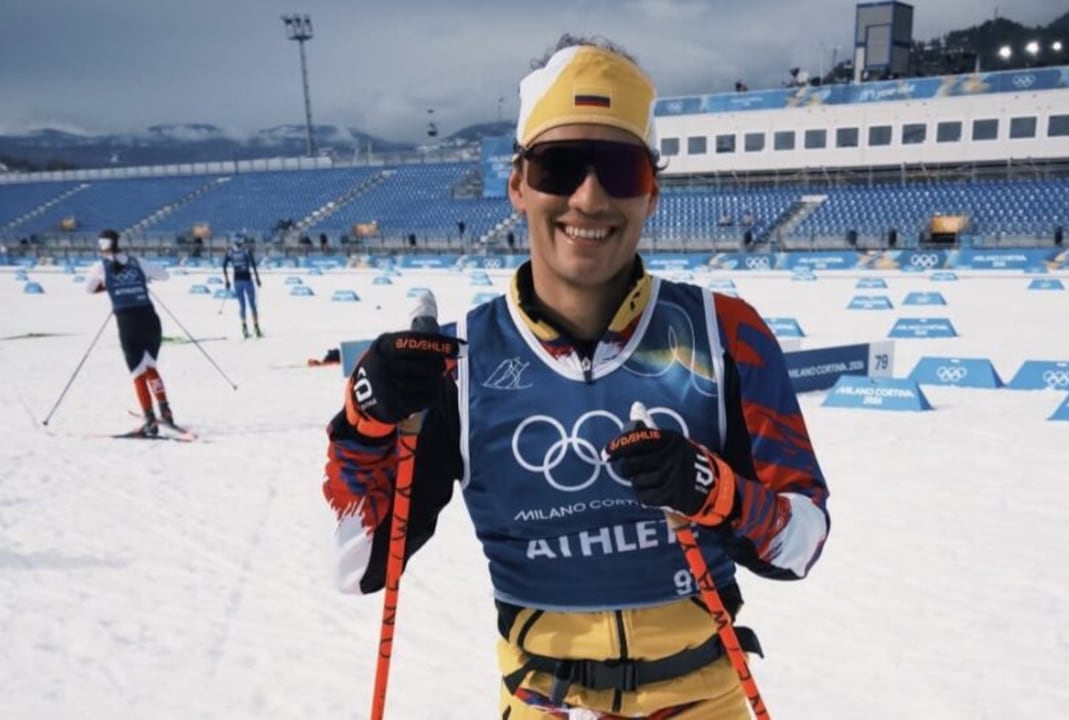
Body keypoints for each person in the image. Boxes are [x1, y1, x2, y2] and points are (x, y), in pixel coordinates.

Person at [322, 35, 830, 719]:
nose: (589, 198)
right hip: (544, 699)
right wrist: (364, 427)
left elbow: (801, 544)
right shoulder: (459, 362)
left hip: (705, 697)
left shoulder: (726, 333)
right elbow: (358, 568)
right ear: (517, 185)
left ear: (652, 191)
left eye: (621, 169)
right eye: (559, 166)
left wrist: (717, 493)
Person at [84, 229, 177, 436]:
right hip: (150, 319)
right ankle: (166, 411)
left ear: (101, 246)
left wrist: (110, 286)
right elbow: (165, 275)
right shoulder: (137, 262)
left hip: (128, 323)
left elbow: (89, 289)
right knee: (150, 367)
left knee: (138, 374)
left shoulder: (100, 267)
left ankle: (150, 420)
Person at [222, 232, 263, 338]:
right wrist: (257, 278)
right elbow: (253, 265)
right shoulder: (246, 251)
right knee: (252, 304)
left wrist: (227, 280)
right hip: (247, 280)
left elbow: (224, 266)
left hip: (237, 281)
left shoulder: (230, 252)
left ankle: (244, 328)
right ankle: (256, 327)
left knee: (242, 305)